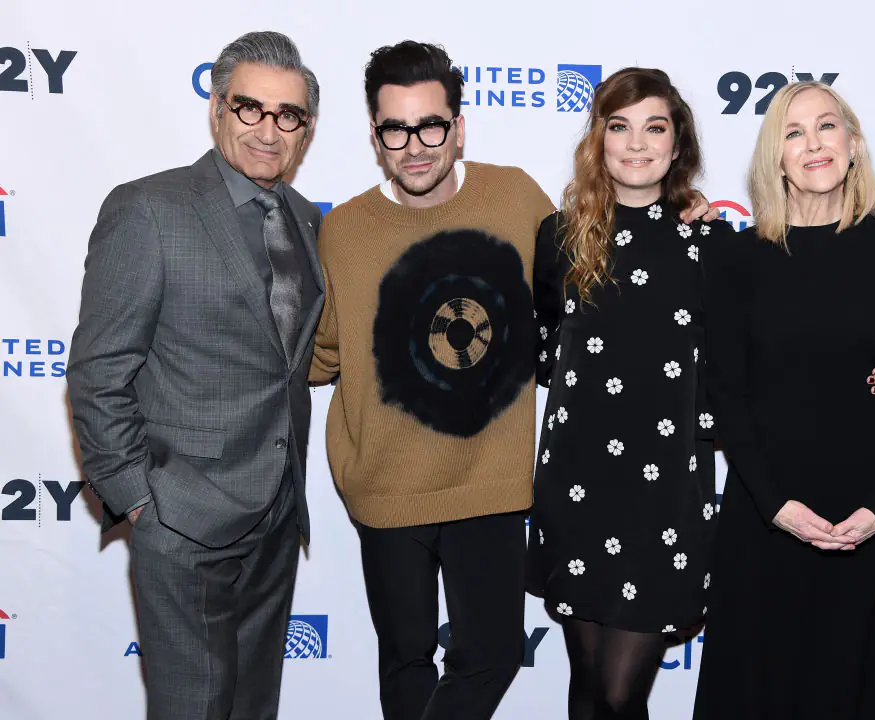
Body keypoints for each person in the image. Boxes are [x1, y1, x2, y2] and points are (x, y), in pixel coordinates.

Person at [309, 42, 716, 720]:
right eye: (396, 129)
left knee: (494, 658)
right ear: (374, 136)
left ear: (459, 127)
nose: (416, 145)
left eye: (432, 125)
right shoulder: (342, 229)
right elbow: (321, 348)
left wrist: (680, 213)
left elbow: (597, 267)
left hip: (491, 484)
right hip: (384, 488)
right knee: (406, 661)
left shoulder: (517, 199)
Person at [66, 31, 324, 720]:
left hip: (273, 515)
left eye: (288, 116)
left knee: (250, 706)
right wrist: (141, 501)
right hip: (182, 520)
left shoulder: (302, 218)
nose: (268, 130)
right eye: (250, 108)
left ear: (305, 130)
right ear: (216, 109)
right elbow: (98, 369)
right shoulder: (149, 209)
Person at [694, 81, 875, 720]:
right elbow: (727, 394)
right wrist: (774, 506)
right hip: (763, 514)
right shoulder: (735, 258)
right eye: (793, 133)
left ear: (852, 145)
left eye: (827, 127)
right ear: (776, 158)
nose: (813, 143)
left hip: (867, 515)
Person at [526, 67, 728, 720]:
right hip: (578, 487)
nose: (636, 143)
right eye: (620, 126)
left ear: (678, 144)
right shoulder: (558, 236)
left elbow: (757, 354)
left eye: (655, 127)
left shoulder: (711, 243)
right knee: (586, 686)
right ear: (598, 139)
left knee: (619, 694)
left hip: (666, 495)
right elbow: (545, 351)